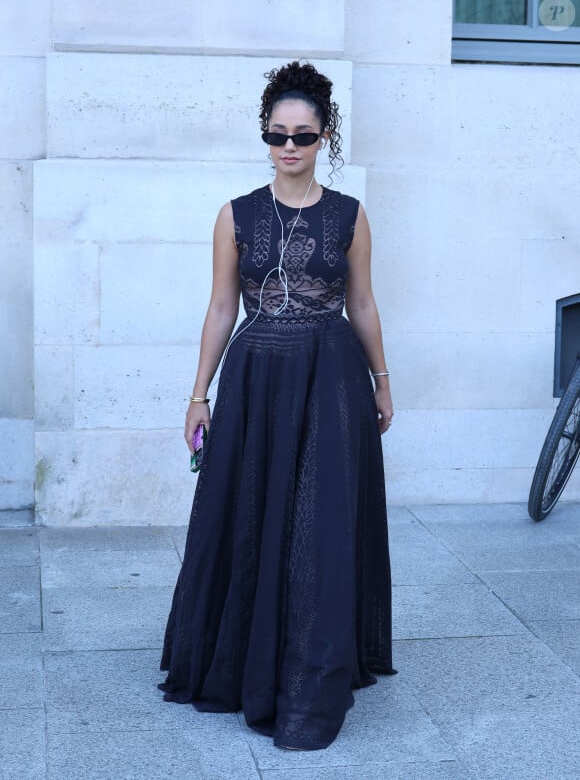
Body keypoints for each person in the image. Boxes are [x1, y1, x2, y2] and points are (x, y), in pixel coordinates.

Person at [158, 61, 397, 751]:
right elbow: (220, 307)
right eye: (276, 134)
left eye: (303, 135)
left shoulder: (351, 215)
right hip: (257, 374)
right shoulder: (235, 214)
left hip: (334, 374)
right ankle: (246, 663)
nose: (288, 146)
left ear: (326, 137)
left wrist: (383, 377)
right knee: (252, 513)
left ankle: (312, 672)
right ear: (264, 136)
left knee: (319, 522)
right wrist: (198, 394)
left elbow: (363, 303)